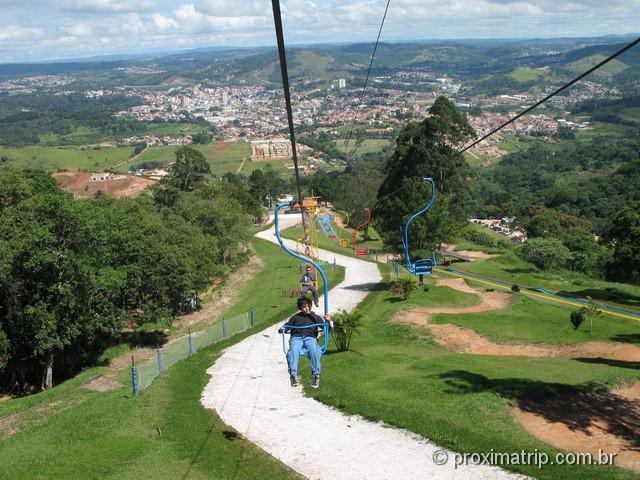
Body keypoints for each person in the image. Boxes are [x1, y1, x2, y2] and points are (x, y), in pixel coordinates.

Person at [278, 297, 332, 388]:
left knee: (314, 350)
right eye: (304, 307)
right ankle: (293, 375)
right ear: (300, 308)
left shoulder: (315, 317)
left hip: (310, 338)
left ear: (310, 306)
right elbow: (287, 325)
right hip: (297, 338)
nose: (306, 308)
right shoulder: (295, 317)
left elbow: (327, 329)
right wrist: (283, 328)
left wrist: (328, 321)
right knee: (293, 351)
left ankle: (316, 375)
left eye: (308, 306)